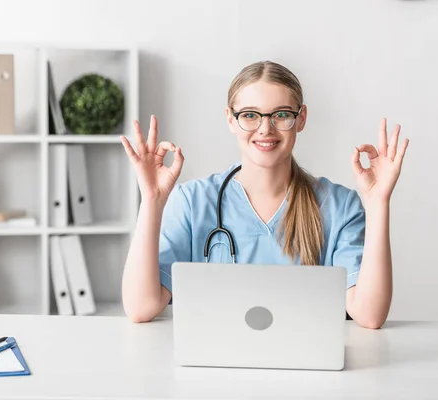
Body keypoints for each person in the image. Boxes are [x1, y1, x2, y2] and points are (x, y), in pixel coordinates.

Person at [120, 61, 409, 328]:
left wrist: (378, 202)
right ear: (231, 120)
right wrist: (152, 200)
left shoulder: (339, 206)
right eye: (250, 115)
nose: (265, 129)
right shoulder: (192, 202)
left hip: (310, 375)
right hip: (214, 372)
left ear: (301, 118)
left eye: (281, 114)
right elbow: (140, 307)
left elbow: (370, 316)